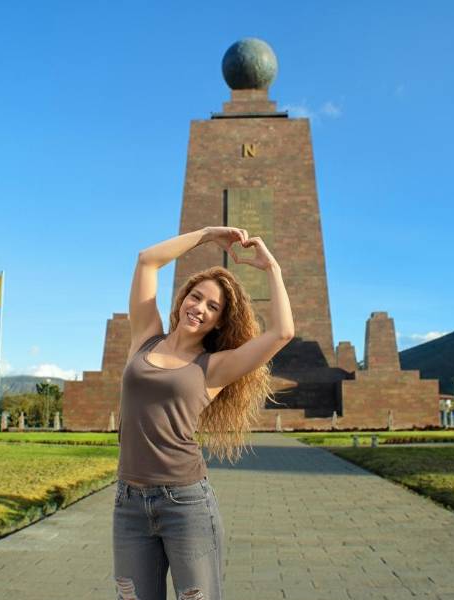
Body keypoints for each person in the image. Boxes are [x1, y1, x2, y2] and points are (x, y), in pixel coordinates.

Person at [112, 226, 294, 600]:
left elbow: (281, 333)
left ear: (218, 322)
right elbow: (147, 259)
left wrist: (271, 267)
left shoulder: (213, 367)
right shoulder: (146, 337)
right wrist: (210, 234)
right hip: (128, 502)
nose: (200, 308)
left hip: (185, 503)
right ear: (182, 299)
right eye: (196, 297)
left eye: (213, 308)